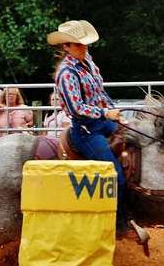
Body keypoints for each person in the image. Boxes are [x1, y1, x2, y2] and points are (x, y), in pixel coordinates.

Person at [47, 19, 140, 241]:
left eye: (84, 44)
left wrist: (113, 110)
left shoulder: (88, 61)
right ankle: (119, 226)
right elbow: (75, 108)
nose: (84, 48)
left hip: (102, 120)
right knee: (114, 174)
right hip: (86, 129)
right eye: (78, 45)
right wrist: (105, 114)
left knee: (138, 139)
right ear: (66, 47)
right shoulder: (66, 73)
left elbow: (100, 92)